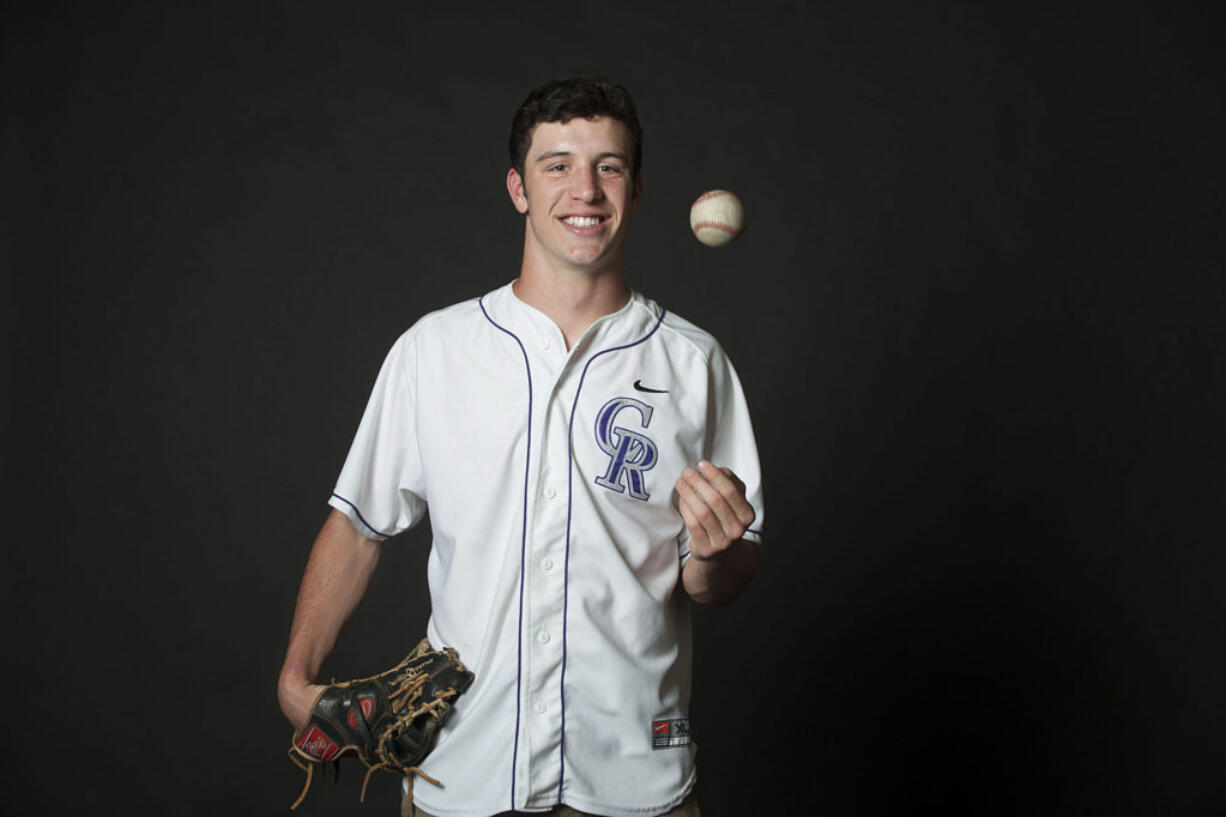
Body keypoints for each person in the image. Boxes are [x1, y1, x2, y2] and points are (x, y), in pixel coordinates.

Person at [278, 76, 765, 817]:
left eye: (609, 166)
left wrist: (723, 550)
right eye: (557, 164)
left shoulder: (693, 364)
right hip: (462, 774)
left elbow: (713, 579)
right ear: (518, 188)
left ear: (635, 192)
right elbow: (357, 524)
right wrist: (295, 676)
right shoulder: (434, 350)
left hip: (634, 779)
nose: (586, 189)